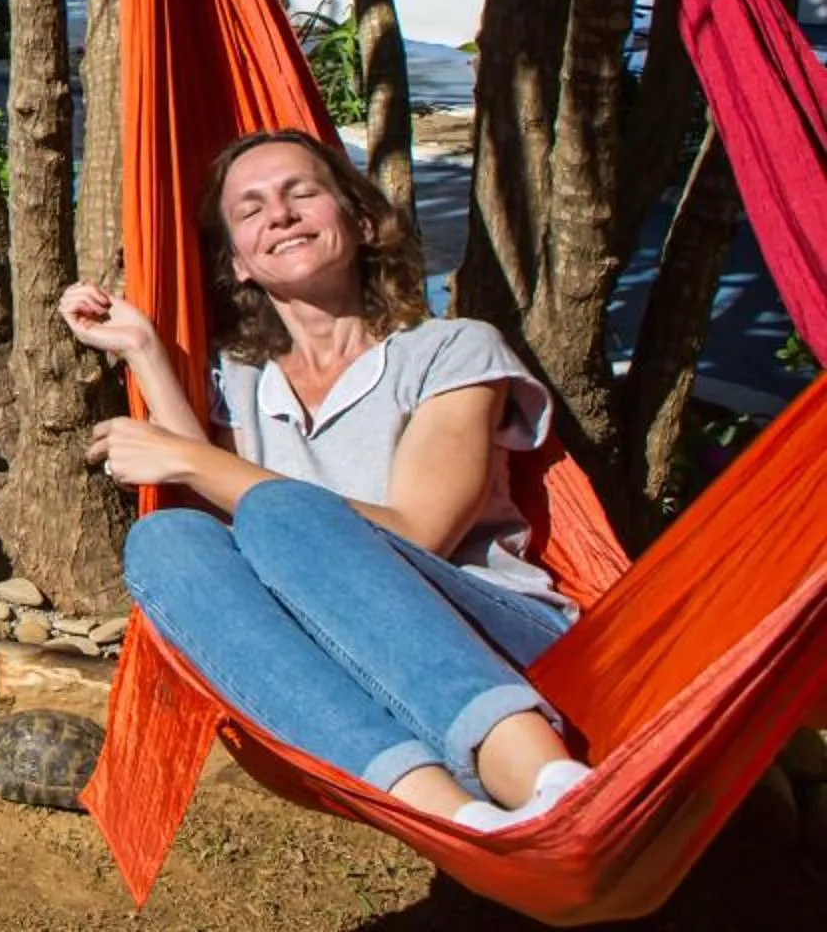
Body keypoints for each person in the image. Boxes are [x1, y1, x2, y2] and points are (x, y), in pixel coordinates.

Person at [59, 127, 595, 832]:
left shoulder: (451, 351)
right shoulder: (243, 381)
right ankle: (455, 816)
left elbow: (422, 532)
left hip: (501, 638)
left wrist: (188, 459)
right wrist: (143, 349)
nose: (277, 214)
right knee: (167, 542)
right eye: (249, 210)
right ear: (241, 264)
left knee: (282, 513)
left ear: (363, 222)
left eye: (301, 193)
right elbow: (221, 512)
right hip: (355, 662)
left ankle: (547, 781)